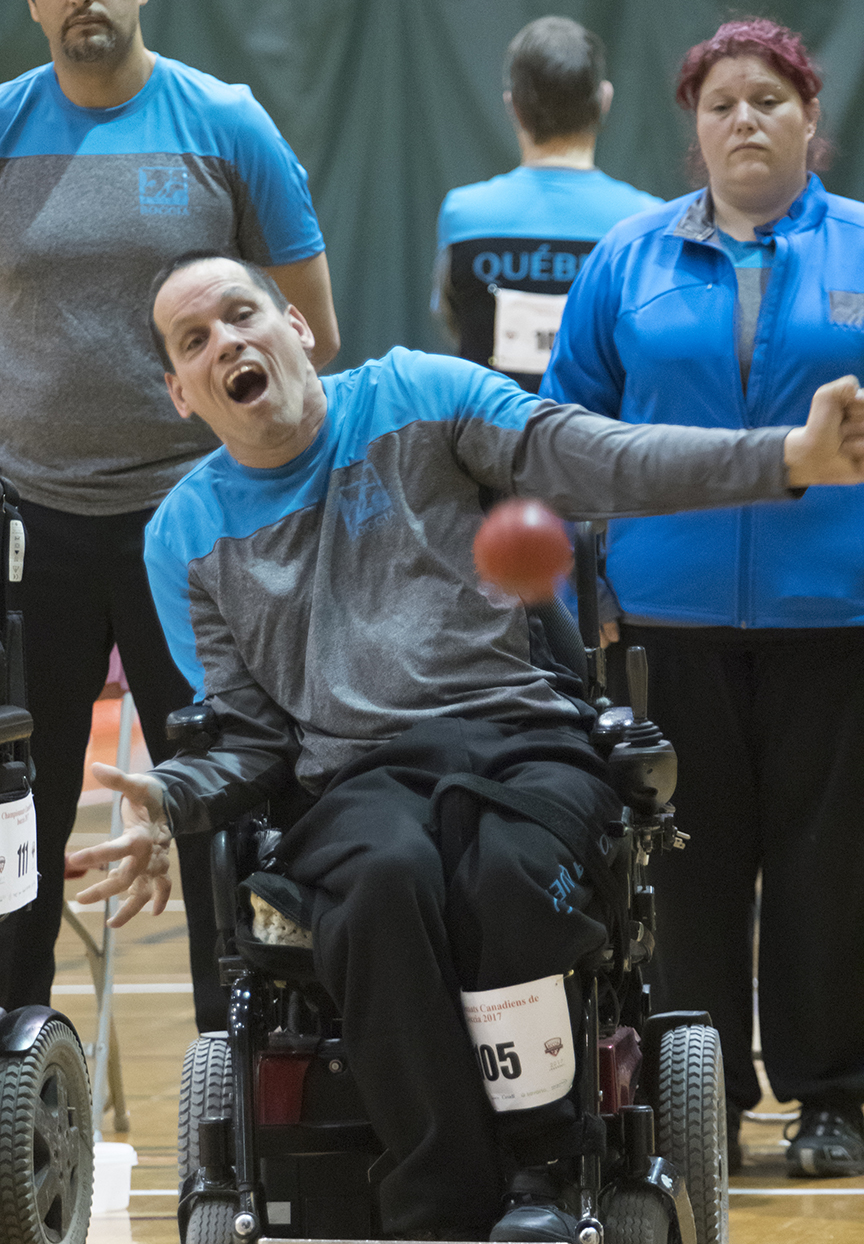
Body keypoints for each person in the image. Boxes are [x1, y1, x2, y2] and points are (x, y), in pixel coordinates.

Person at [67, 250, 864, 1240]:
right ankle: (442, 1206)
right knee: (386, 879)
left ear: (296, 328)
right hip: (356, 781)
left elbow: (601, 457)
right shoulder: (183, 533)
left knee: (504, 872)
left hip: (520, 741)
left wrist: (788, 458)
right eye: (195, 341)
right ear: (182, 394)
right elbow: (245, 735)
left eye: (241, 315)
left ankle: (541, 1174)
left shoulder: (419, 395)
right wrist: (168, 800)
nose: (227, 341)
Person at [542, 17, 864, 1179]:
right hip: (666, 625)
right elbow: (562, 432)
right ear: (693, 124)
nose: (745, 120)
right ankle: (701, 1101)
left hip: (838, 622)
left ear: (811, 121)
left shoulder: (863, 249)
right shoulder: (626, 259)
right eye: (722, 102)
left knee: (831, 872)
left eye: (769, 101)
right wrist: (590, 593)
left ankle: (833, 1098)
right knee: (690, 874)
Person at [0, 0, 339, 1029]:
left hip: (193, 526)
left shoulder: (225, 122)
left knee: (218, 804)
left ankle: (234, 1072)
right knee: (17, 813)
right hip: (29, 530)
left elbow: (311, 333)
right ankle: (13, 1058)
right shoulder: (5, 126)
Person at [433, 16, 661, 393]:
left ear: (513, 107)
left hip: (488, 443)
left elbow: (452, 319)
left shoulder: (464, 214)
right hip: (604, 444)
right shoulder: (648, 221)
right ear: (604, 101)